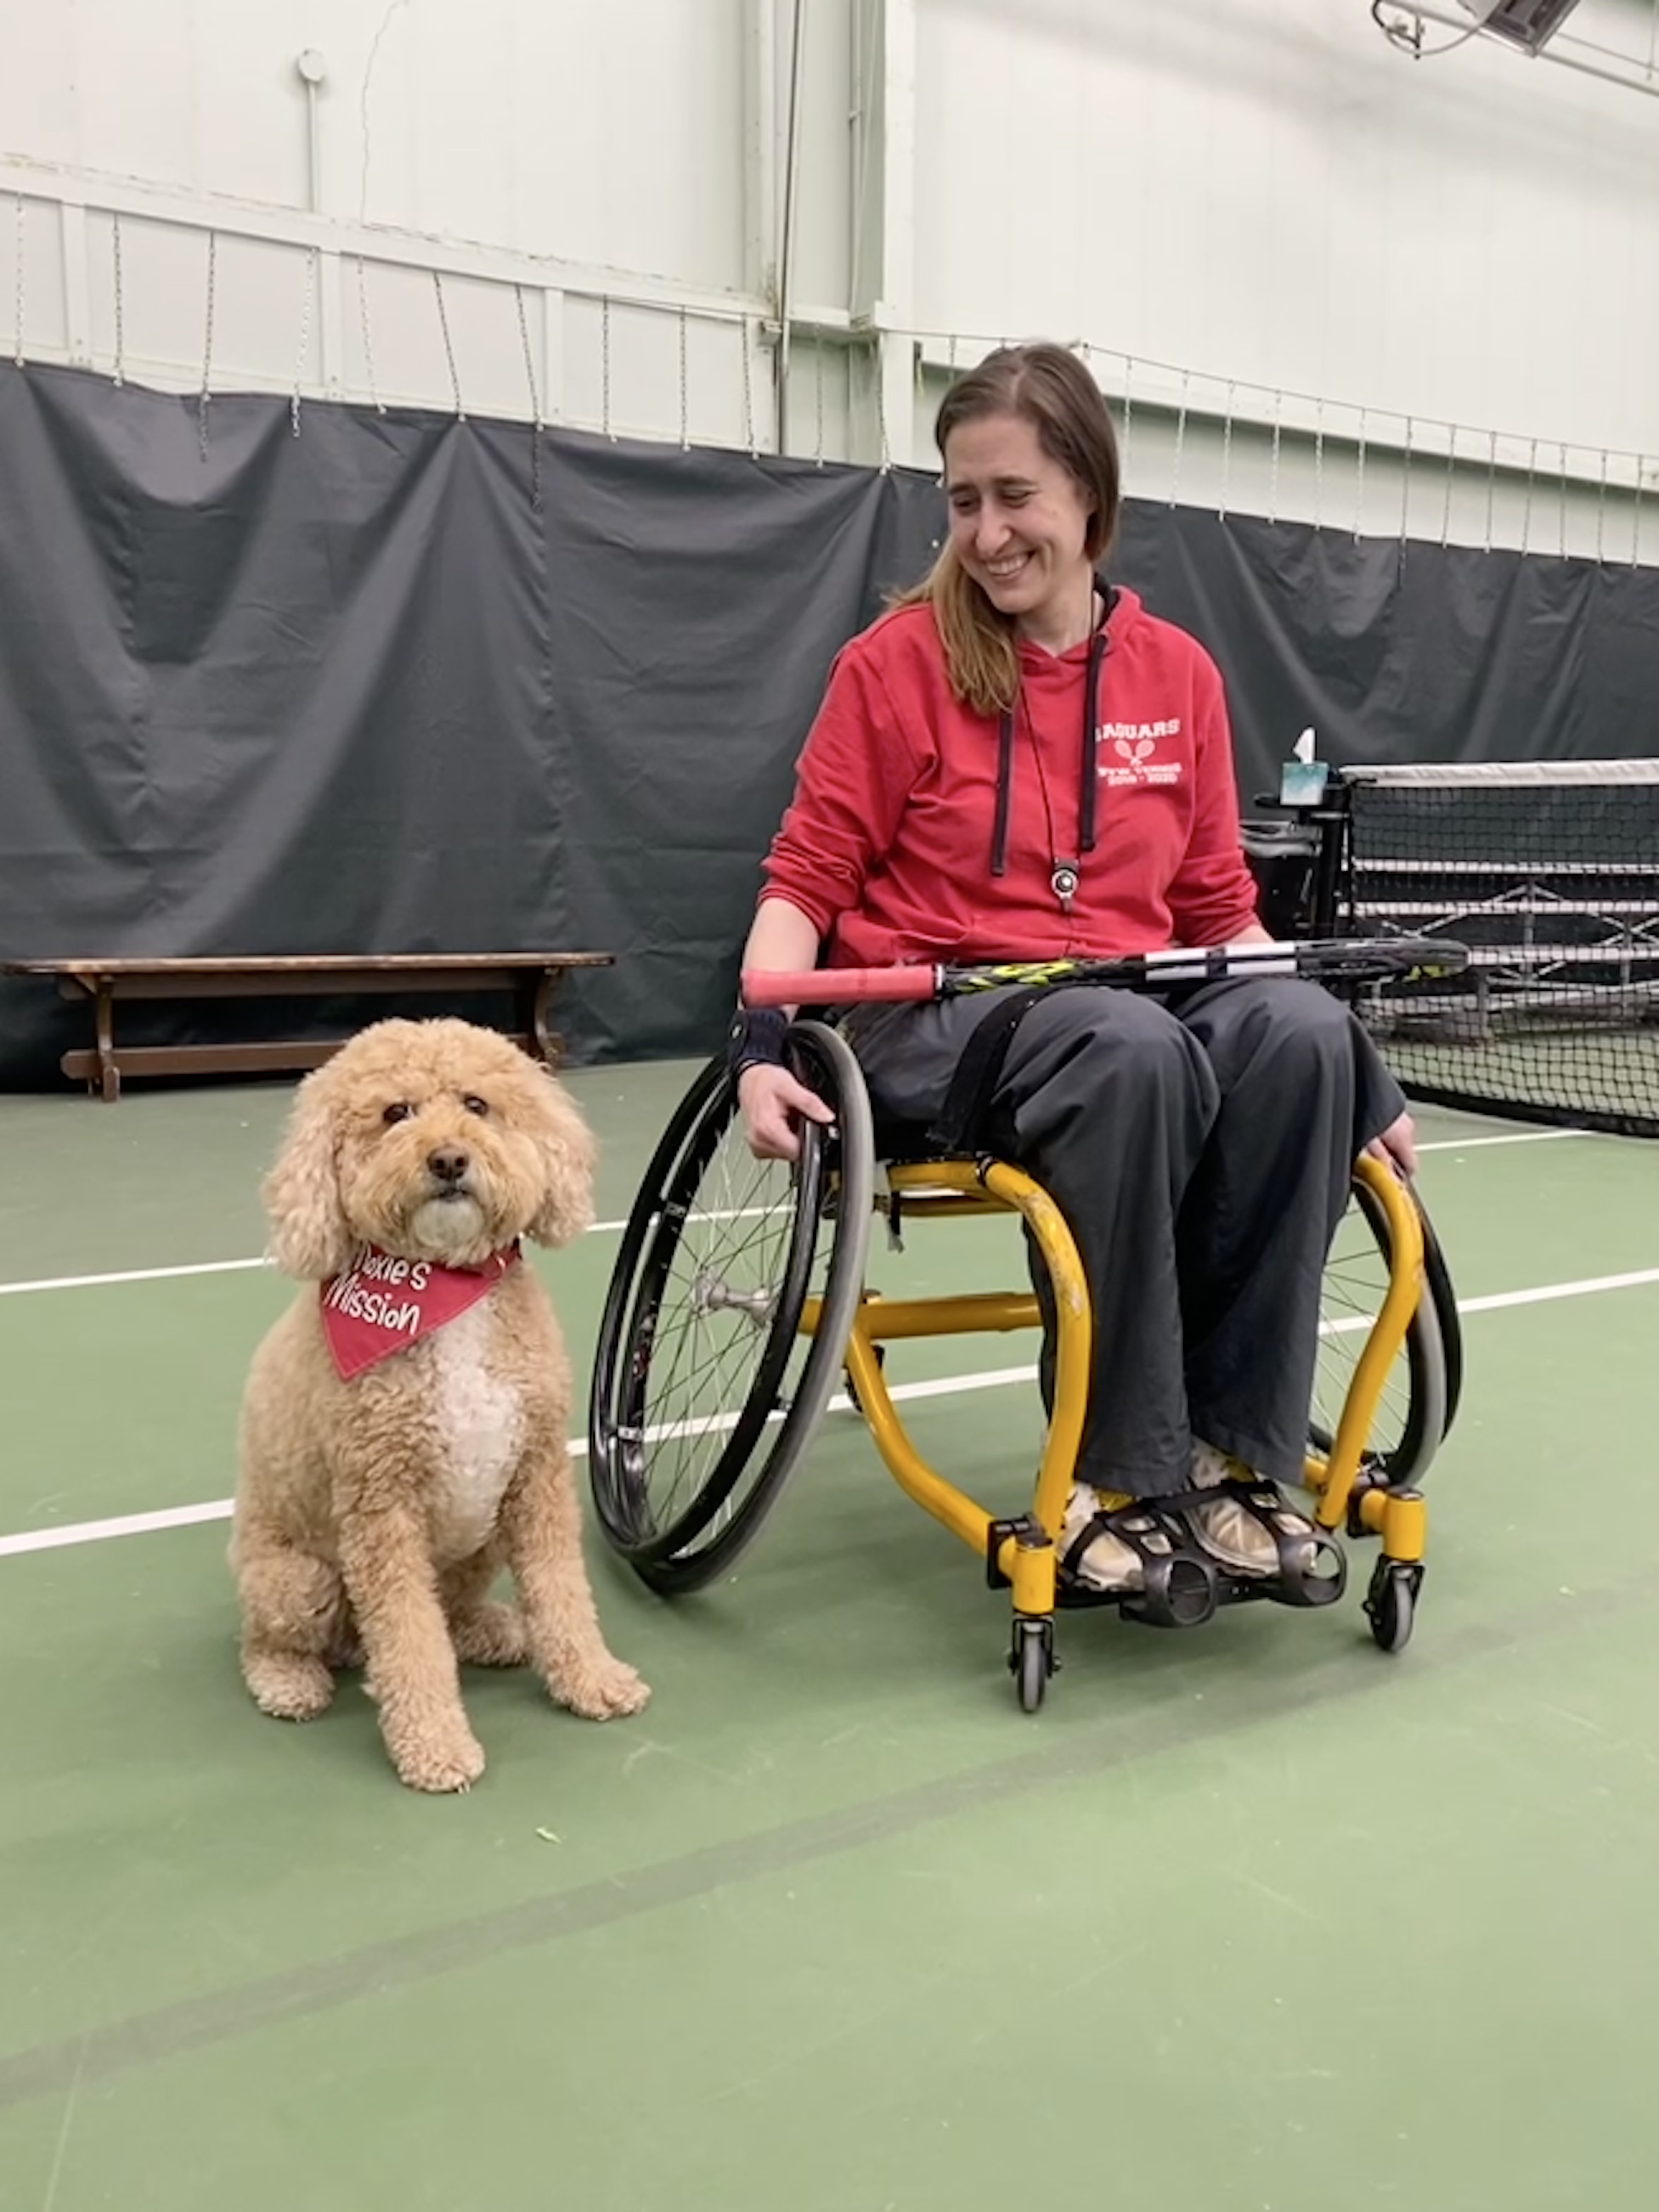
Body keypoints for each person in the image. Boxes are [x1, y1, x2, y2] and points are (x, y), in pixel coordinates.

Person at [726, 341, 1415, 1617]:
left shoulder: (1181, 677)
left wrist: (1363, 1079)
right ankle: (1113, 1475)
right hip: (940, 1025)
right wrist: (762, 1046)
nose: (986, 533)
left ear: (1089, 494)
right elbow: (804, 881)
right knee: (1130, 1046)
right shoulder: (893, 667)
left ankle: (1230, 1456)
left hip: (1122, 1007)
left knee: (1306, 1038)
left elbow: (1216, 908)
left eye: (1014, 496)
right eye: (962, 499)